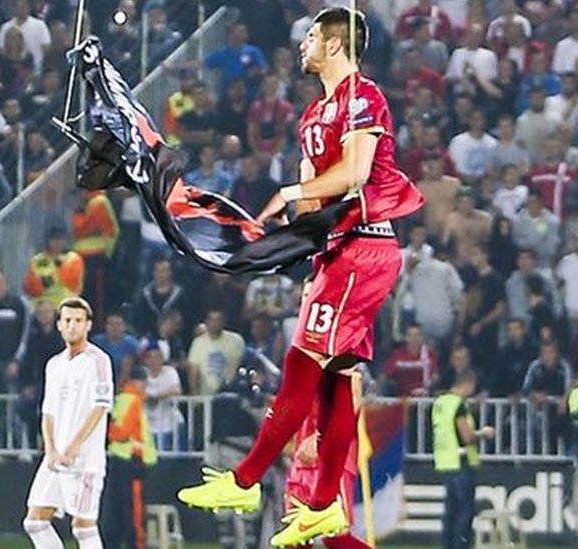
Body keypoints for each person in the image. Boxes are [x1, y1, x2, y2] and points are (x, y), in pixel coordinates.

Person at [177, 7, 423, 547]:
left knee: (299, 363)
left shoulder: (364, 96)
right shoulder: (314, 114)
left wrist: (291, 194)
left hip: (366, 246)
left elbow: (357, 176)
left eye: (311, 36)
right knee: (333, 377)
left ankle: (246, 481)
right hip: (336, 252)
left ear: (335, 45)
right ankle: (320, 509)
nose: (302, 43)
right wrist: (274, 237)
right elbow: (314, 200)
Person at [23, 297, 114, 549]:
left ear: (88, 325)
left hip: (85, 459)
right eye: (67, 320)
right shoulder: (54, 365)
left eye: (78, 320)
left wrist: (74, 445)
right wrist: (51, 450)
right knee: (35, 522)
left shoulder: (98, 360)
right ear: (59, 325)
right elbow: (48, 412)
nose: (72, 326)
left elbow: (100, 406)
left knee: (83, 527)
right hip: (55, 458)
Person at [286, 371, 371, 549]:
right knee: (296, 537)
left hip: (332, 460)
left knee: (336, 536)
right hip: (302, 462)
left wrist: (319, 438)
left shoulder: (344, 362)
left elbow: (351, 403)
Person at [431, 370, 493, 549]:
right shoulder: (459, 405)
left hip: (445, 461)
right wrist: (484, 433)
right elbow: (467, 437)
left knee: (450, 511)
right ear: (469, 382)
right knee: (464, 512)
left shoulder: (440, 403)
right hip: (460, 462)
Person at [102, 366, 156, 549]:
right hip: (131, 462)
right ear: (138, 382)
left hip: (118, 459)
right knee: (133, 512)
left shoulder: (120, 400)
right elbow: (121, 432)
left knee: (115, 510)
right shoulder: (132, 400)